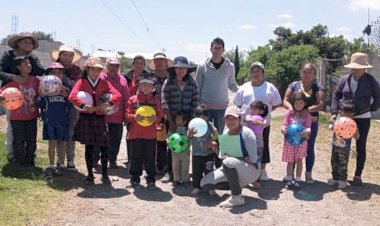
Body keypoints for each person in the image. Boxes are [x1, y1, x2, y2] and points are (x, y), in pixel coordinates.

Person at [69, 57, 121, 185]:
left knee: (104, 146)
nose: (95, 72)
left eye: (98, 69)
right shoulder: (81, 82)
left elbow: (117, 95)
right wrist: (83, 106)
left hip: (100, 117)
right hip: (86, 117)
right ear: (87, 69)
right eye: (93, 69)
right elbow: (72, 96)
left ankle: (104, 174)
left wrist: (108, 103)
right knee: (89, 147)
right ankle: (90, 175)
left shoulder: (104, 82)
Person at [331, 52, 380, 186]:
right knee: (339, 146)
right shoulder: (344, 79)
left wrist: (371, 108)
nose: (356, 70)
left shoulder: (371, 81)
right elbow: (336, 96)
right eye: (354, 67)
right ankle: (337, 175)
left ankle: (358, 174)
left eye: (359, 67)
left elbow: (378, 96)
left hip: (363, 117)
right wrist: (335, 112)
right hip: (344, 119)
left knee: (360, 146)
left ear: (364, 68)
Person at [200, 105, 261, 208]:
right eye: (228, 118)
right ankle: (237, 185)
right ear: (224, 120)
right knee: (204, 184)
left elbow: (253, 159)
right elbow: (222, 156)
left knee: (228, 162)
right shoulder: (225, 133)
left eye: (234, 118)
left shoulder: (247, 133)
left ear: (240, 119)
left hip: (252, 170)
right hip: (232, 166)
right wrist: (215, 146)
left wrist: (234, 158)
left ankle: (237, 198)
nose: (230, 121)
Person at [233, 61, 282, 181]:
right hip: (245, 126)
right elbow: (237, 105)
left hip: (262, 126)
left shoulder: (270, 87)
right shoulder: (244, 87)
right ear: (250, 74)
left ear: (263, 73)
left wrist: (266, 113)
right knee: (245, 147)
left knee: (262, 147)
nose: (255, 74)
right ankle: (245, 170)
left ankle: (262, 170)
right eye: (253, 71)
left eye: (258, 71)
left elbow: (276, 103)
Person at [0, 32, 44, 163]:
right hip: (10, 95)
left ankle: (27, 156)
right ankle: (12, 154)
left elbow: (41, 71)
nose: (28, 44)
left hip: (28, 94)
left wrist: (29, 60)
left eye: (30, 43)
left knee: (29, 130)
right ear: (18, 43)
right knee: (12, 126)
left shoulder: (32, 58)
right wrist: (13, 77)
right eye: (25, 42)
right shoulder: (8, 55)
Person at [195, 37, 239, 168]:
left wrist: (245, 90)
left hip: (221, 108)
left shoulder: (229, 66)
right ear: (210, 49)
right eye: (214, 48)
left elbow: (232, 84)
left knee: (219, 136)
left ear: (223, 50)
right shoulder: (202, 66)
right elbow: (198, 86)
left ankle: (220, 164)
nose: (216, 50)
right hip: (205, 109)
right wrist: (198, 107)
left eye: (219, 48)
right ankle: (205, 164)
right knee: (204, 136)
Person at [283, 63, 325, 184]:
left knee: (309, 148)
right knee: (293, 146)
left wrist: (307, 110)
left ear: (313, 74)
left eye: (310, 72)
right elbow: (285, 99)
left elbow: (321, 104)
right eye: (305, 72)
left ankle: (308, 174)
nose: (307, 75)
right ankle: (292, 176)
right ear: (301, 72)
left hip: (309, 123)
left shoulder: (318, 87)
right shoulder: (293, 85)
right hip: (293, 124)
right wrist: (290, 108)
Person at [161, 56, 199, 181]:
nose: (181, 70)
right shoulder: (168, 82)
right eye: (178, 68)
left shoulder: (192, 83)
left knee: (186, 145)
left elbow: (195, 102)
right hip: (171, 119)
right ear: (174, 69)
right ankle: (169, 172)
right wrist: (171, 121)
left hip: (187, 121)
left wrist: (190, 121)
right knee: (171, 145)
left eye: (184, 68)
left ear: (187, 70)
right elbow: (164, 101)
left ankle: (184, 174)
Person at [125, 74, 162, 190]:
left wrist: (156, 118)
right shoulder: (132, 99)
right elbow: (127, 114)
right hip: (135, 134)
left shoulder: (156, 100)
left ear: (153, 87)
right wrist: (133, 117)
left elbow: (160, 115)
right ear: (139, 86)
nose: (146, 87)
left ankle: (151, 180)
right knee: (135, 157)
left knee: (150, 158)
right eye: (144, 85)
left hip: (150, 135)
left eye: (149, 85)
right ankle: (134, 179)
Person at [51, 44, 82, 171]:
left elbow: (79, 87)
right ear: (60, 56)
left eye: (70, 55)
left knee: (71, 133)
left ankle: (70, 160)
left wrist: (69, 93)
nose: (67, 58)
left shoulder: (77, 71)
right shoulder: (53, 68)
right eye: (65, 55)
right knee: (58, 133)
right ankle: (59, 159)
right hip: (56, 106)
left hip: (72, 106)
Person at [37, 62, 71, 175]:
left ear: (63, 75)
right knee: (52, 143)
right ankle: (51, 165)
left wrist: (67, 96)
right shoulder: (45, 89)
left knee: (62, 143)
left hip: (62, 121)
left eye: (59, 73)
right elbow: (41, 105)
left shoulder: (66, 89)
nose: (56, 75)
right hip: (50, 120)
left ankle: (61, 164)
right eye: (53, 73)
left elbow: (72, 105)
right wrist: (41, 96)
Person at [95, 57, 130, 168]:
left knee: (115, 139)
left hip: (117, 116)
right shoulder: (100, 78)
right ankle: (95, 159)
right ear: (107, 66)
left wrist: (126, 115)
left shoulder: (123, 80)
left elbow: (126, 98)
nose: (114, 68)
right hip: (100, 114)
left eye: (116, 66)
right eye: (111, 65)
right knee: (98, 138)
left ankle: (112, 160)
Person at [148, 51, 173, 182]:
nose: (159, 63)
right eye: (156, 61)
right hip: (155, 114)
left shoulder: (172, 78)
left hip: (170, 114)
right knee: (158, 141)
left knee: (171, 141)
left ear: (166, 63)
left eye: (161, 61)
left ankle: (169, 169)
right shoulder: (150, 78)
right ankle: (159, 166)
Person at [123, 55, 151, 167]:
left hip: (145, 108)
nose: (139, 65)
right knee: (130, 133)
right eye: (137, 63)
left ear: (144, 65)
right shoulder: (127, 77)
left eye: (141, 63)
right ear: (133, 64)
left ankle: (143, 160)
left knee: (144, 136)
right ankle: (131, 158)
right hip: (131, 107)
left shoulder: (148, 77)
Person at [281, 92, 311, 189]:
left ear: (305, 103)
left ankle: (298, 180)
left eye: (301, 103)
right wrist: (283, 129)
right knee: (290, 161)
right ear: (292, 103)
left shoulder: (307, 115)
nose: (298, 105)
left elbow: (308, 127)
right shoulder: (288, 114)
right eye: (296, 103)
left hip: (301, 141)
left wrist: (307, 131)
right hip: (289, 142)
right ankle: (289, 179)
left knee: (299, 160)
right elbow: (284, 125)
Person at [328, 100, 359, 189]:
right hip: (335, 147)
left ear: (353, 113)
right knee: (334, 162)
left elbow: (356, 137)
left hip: (345, 150)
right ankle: (335, 178)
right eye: (345, 111)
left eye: (349, 112)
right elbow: (330, 127)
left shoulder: (353, 124)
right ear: (340, 111)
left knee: (343, 165)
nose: (347, 114)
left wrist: (355, 132)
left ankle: (342, 180)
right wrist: (331, 122)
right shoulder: (337, 120)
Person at [188, 105, 218, 195]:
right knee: (196, 172)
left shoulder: (209, 125)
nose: (202, 118)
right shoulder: (192, 125)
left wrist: (211, 141)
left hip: (208, 153)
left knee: (209, 172)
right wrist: (190, 134)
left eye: (204, 116)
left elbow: (216, 133)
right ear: (195, 116)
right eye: (199, 116)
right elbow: (189, 137)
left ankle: (210, 188)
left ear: (207, 117)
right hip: (196, 154)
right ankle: (197, 187)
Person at [244, 100, 268, 188]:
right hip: (248, 144)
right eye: (251, 108)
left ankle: (255, 180)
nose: (252, 110)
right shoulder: (249, 116)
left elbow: (265, 124)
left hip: (259, 145)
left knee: (257, 163)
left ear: (261, 111)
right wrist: (253, 120)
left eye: (255, 109)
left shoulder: (263, 119)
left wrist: (260, 123)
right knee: (246, 161)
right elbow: (246, 119)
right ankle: (245, 180)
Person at [169, 111, 191, 185]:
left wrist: (189, 142)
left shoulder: (187, 130)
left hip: (185, 151)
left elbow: (190, 139)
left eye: (179, 119)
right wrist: (168, 141)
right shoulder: (173, 128)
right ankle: (176, 179)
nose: (176, 120)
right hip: (175, 152)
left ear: (185, 121)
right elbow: (169, 137)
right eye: (176, 119)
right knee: (175, 165)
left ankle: (185, 180)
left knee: (185, 166)